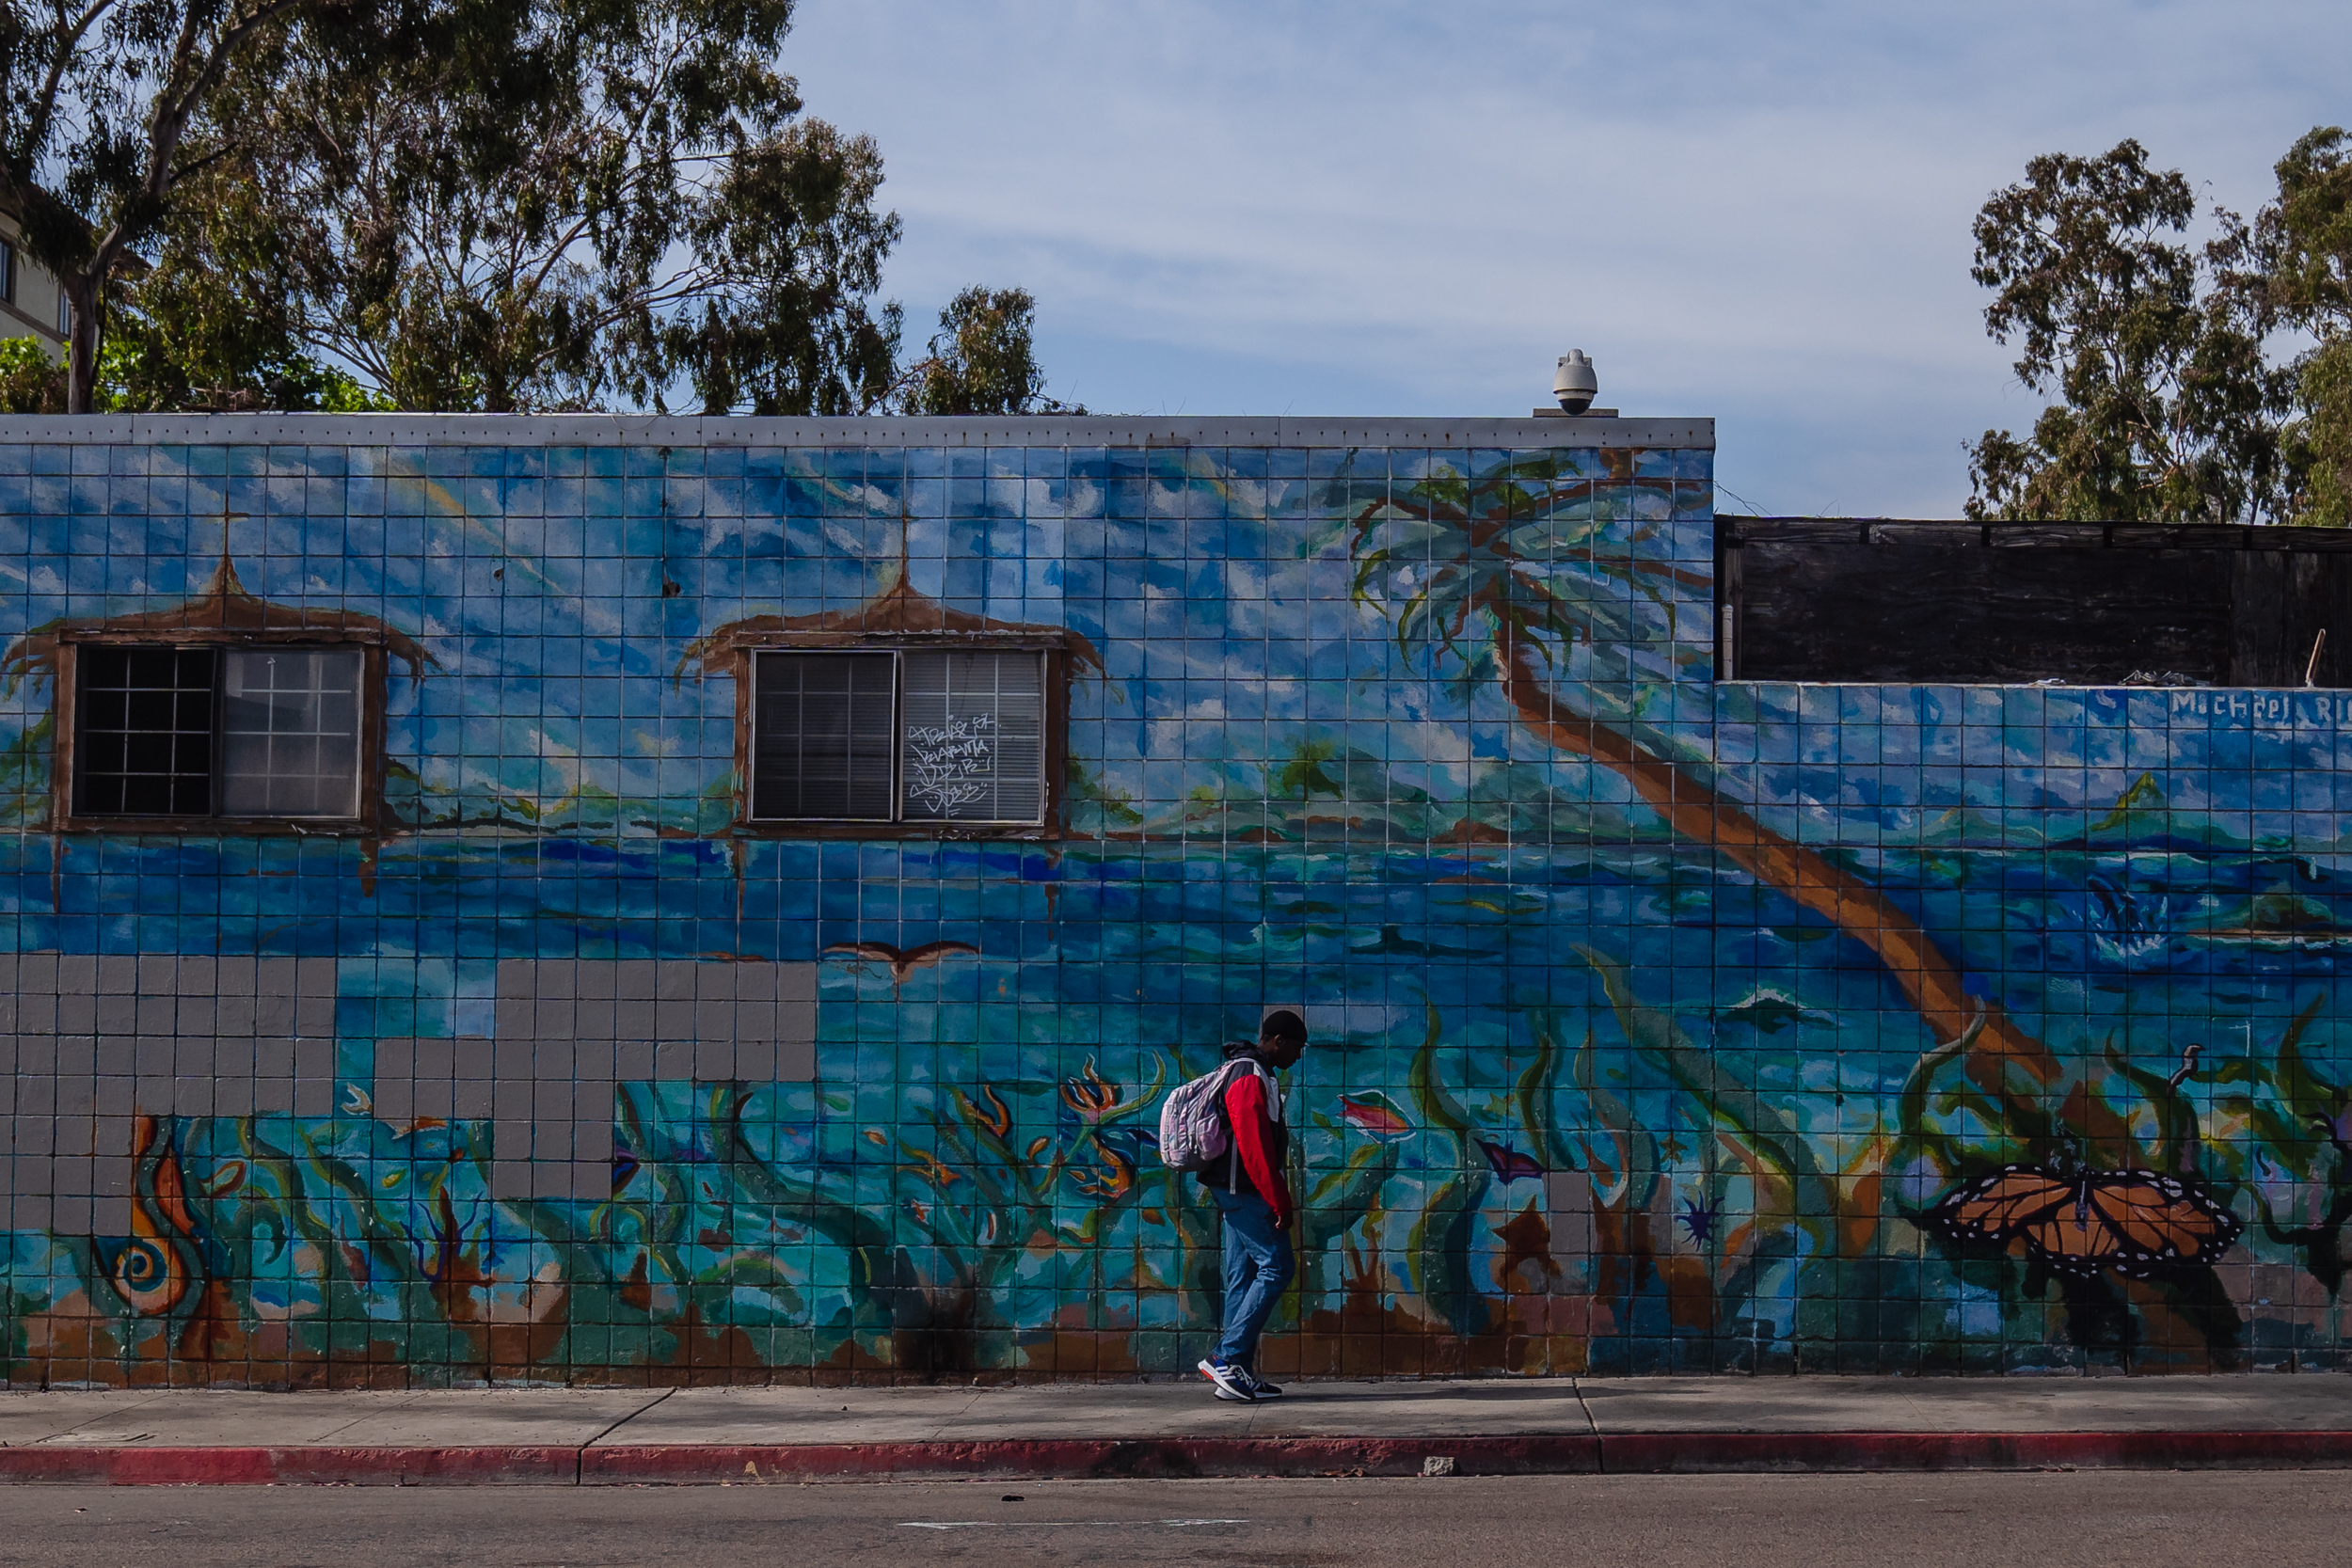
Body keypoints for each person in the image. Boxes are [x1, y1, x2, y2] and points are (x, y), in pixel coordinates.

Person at [1195, 1009, 1309, 1402]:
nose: (1298, 1056)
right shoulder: (1249, 1074)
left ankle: (1234, 1371)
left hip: (1237, 1187)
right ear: (1277, 1040)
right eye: (1296, 1047)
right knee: (1278, 1266)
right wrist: (1279, 1200)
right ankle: (1227, 1358)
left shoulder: (1255, 1072)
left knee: (1243, 1275)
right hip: (1243, 1188)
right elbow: (1254, 1145)